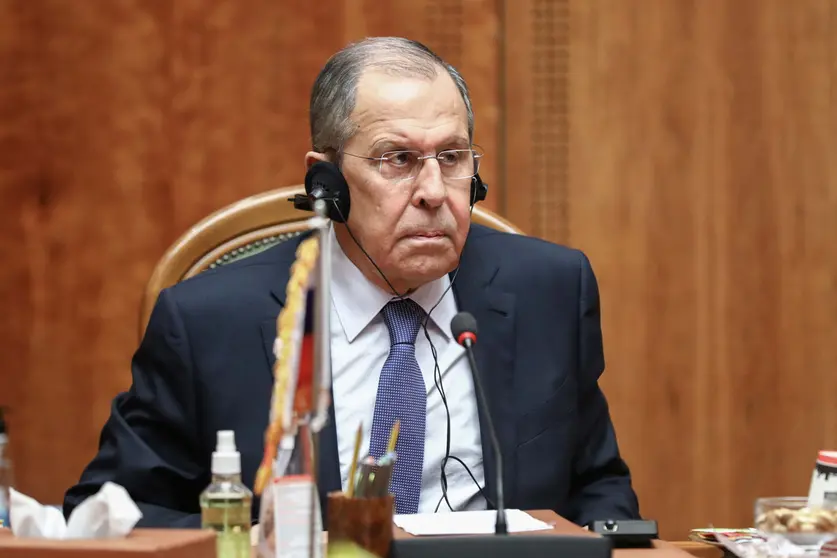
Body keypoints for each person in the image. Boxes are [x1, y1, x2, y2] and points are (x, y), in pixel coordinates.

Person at [64, 37, 640, 528]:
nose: (434, 192)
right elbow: (112, 512)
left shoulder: (551, 291)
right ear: (327, 183)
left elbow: (598, 487)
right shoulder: (209, 322)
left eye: (452, 156)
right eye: (398, 160)